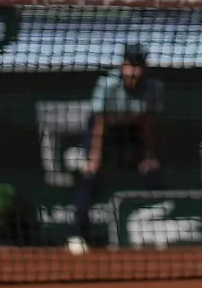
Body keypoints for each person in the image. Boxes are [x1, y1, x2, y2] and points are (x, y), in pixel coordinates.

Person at [68, 42, 163, 253]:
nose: (134, 72)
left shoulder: (153, 87)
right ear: (123, 66)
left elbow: (147, 124)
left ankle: (154, 230)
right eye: (131, 66)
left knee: (151, 172)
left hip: (130, 132)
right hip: (104, 131)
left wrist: (148, 155)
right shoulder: (108, 85)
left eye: (139, 66)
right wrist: (94, 158)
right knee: (91, 177)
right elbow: (99, 123)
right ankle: (78, 235)